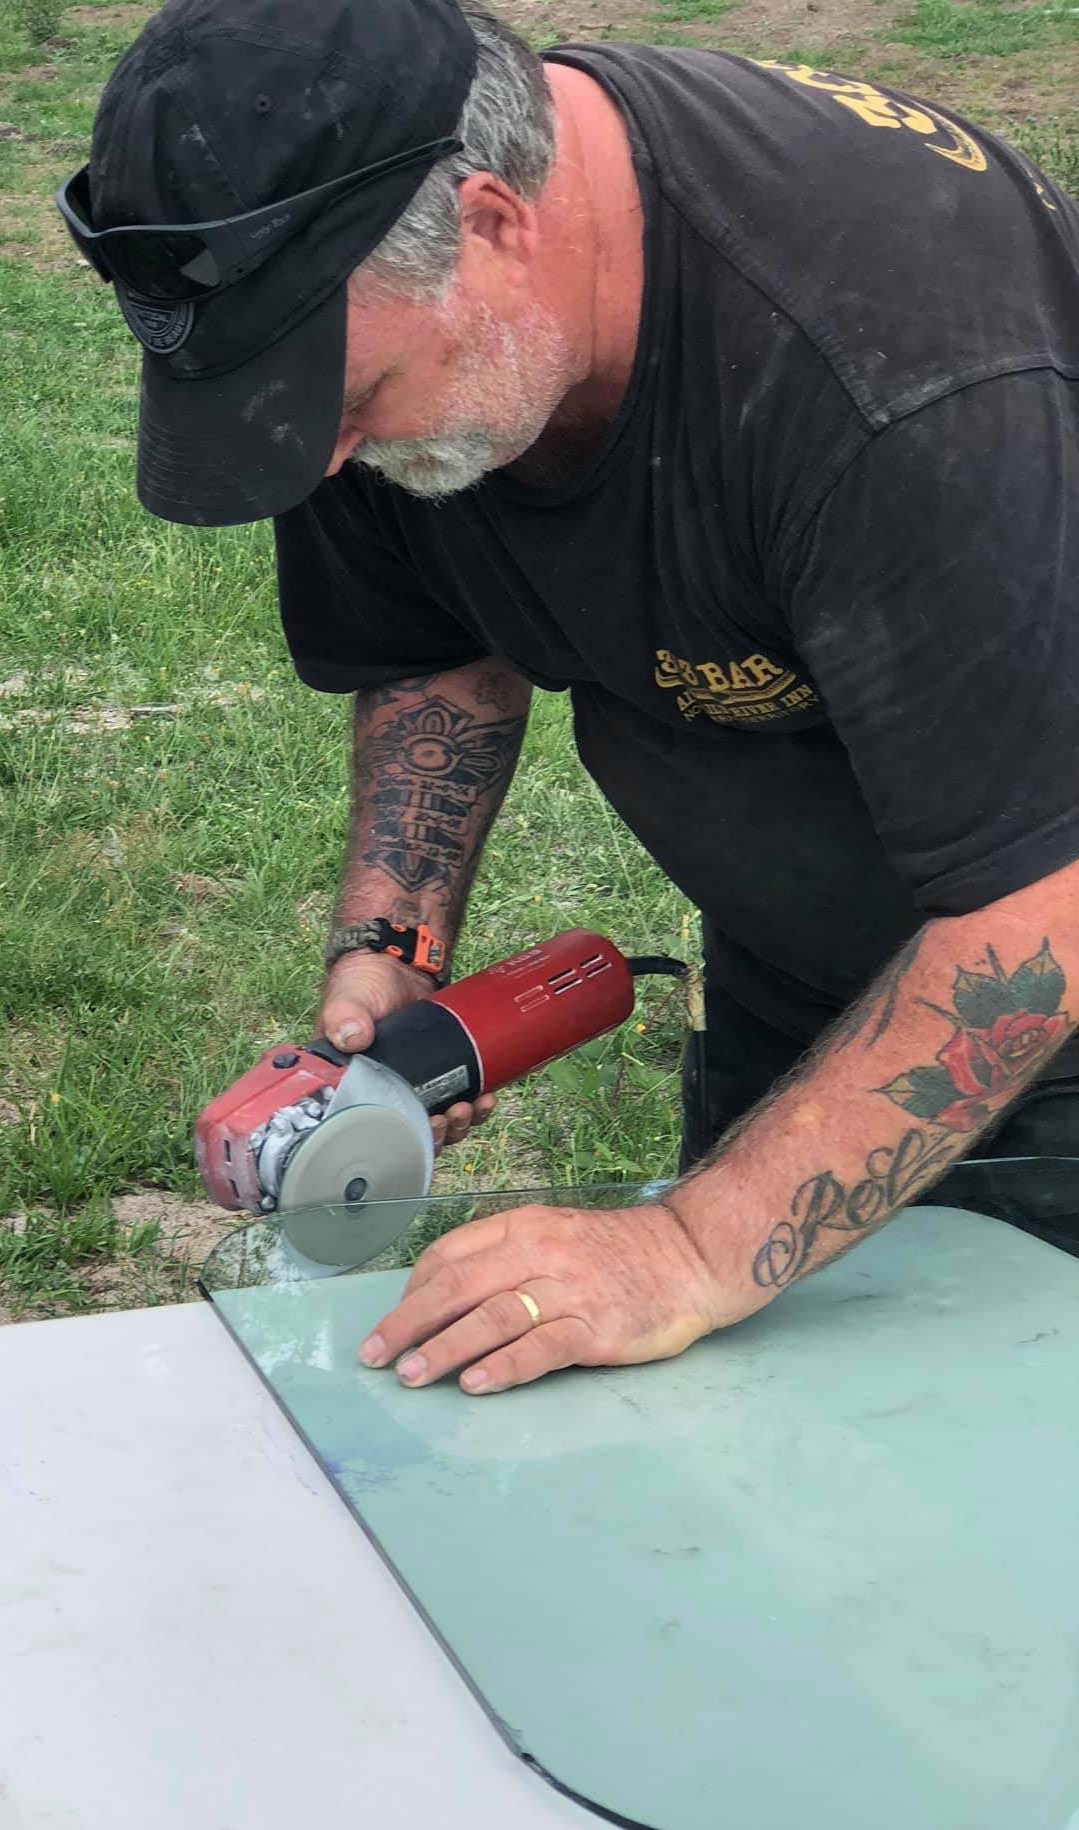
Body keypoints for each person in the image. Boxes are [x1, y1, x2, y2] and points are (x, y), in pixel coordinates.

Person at [62, 0, 1079, 1393]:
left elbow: (1046, 897)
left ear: (493, 223)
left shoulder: (896, 377)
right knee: (786, 1458)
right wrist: (390, 960)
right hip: (825, 964)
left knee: (1011, 1512)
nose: (329, 454)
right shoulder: (385, 302)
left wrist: (697, 1248)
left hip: (1037, 955)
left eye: (350, 404)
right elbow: (434, 636)